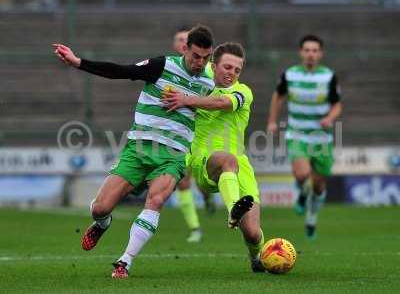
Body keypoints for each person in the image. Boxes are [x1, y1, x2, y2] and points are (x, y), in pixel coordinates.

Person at [53, 25, 219, 278]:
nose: (200, 62)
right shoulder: (161, 66)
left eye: (206, 58)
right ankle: (102, 222)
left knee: (155, 200)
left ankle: (125, 261)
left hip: (173, 154)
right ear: (184, 48)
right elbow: (122, 71)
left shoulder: (209, 81)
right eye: (196, 56)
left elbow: (222, 103)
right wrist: (78, 62)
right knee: (100, 208)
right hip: (139, 149)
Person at [162, 42, 266, 272]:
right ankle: (233, 211)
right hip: (204, 161)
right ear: (213, 65)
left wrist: (187, 99)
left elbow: (222, 103)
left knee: (253, 233)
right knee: (227, 159)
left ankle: (256, 256)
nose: (231, 73)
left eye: (237, 70)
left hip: (241, 165)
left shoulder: (243, 92)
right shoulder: (200, 82)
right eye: (227, 67)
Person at [267, 34, 342, 239]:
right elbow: (278, 96)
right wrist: (272, 121)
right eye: (307, 50)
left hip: (322, 139)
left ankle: (311, 219)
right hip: (297, 134)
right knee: (302, 175)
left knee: (318, 187)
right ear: (301, 52)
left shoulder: (328, 76)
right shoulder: (290, 74)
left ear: (320, 53)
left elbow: (337, 104)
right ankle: (301, 190)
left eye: (315, 50)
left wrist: (329, 117)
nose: (311, 54)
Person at [172, 27, 215, 243]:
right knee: (182, 181)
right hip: (180, 137)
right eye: (179, 39)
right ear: (182, 47)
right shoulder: (169, 71)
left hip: (202, 137)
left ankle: (207, 197)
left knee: (202, 181)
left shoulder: (208, 75)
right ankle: (195, 228)